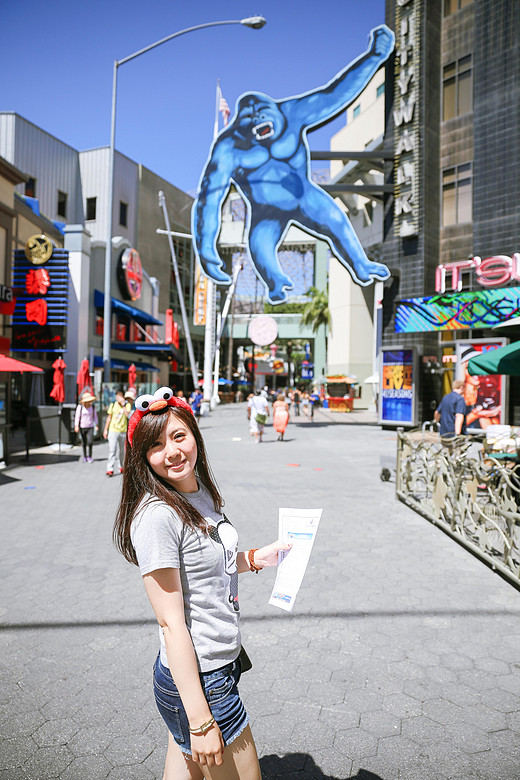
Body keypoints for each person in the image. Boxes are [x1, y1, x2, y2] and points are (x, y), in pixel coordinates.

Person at [113, 387, 291, 779]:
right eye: (156, 445)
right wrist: (200, 721)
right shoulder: (157, 516)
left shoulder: (198, 491)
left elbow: (211, 566)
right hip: (201, 681)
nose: (172, 452)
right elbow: (170, 623)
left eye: (179, 436)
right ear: (144, 457)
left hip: (214, 667)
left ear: (195, 435)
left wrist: (256, 559)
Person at [103, 388, 132, 476]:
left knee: (122, 451)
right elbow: (109, 417)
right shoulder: (113, 404)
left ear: (123, 397)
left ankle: (121, 466)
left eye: (120, 396)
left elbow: (128, 416)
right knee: (112, 450)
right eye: (117, 396)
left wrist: (123, 405)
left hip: (123, 431)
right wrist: (105, 430)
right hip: (113, 430)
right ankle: (110, 468)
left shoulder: (127, 405)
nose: (118, 398)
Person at [74, 391, 98, 463]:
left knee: (90, 442)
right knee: (84, 442)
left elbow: (95, 416)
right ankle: (85, 456)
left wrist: (96, 425)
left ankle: (90, 456)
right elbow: (77, 417)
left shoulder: (92, 407)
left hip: (90, 426)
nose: (88, 403)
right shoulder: (80, 407)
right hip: (82, 426)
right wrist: (76, 426)